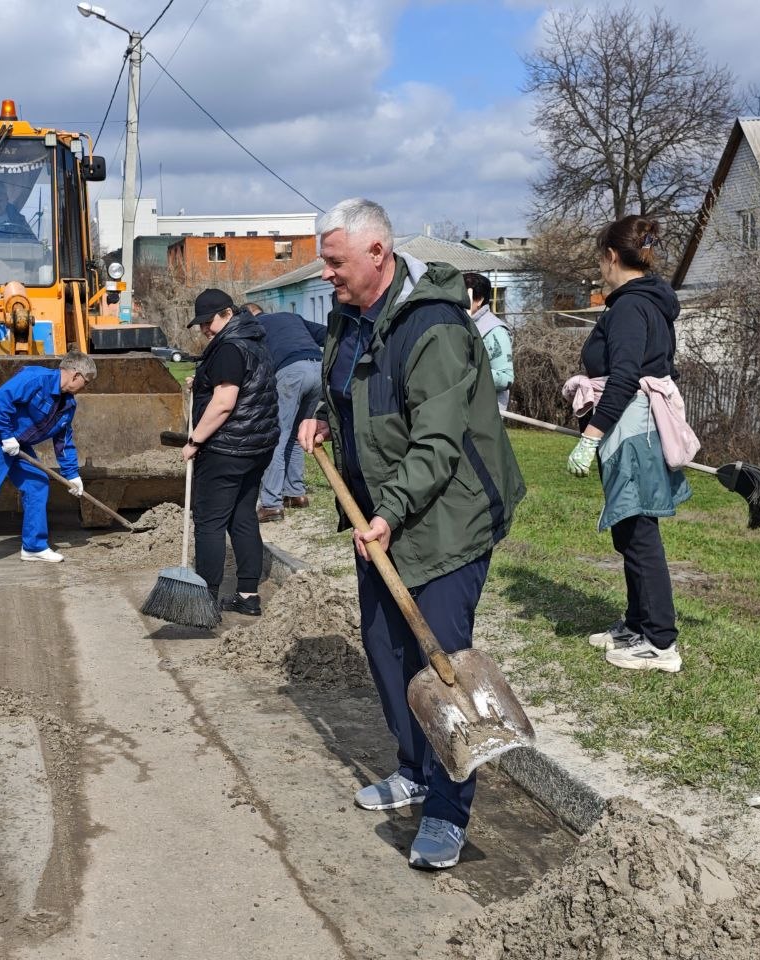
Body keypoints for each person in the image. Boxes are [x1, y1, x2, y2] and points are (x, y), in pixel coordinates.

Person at [298, 199, 524, 870]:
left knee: (442, 664)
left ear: (378, 254)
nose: (326, 273)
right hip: (382, 520)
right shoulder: (349, 314)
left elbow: (436, 443)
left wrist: (388, 511)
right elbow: (341, 389)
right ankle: (414, 768)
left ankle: (448, 812)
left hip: (447, 516)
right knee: (387, 649)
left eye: (335, 261)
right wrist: (319, 418)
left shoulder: (433, 328)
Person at [568, 215, 689, 674]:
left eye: (601, 260)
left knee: (639, 533)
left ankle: (660, 642)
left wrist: (590, 437)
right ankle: (638, 623)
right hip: (634, 427)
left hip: (630, 430)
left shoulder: (629, 308)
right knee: (627, 527)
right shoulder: (647, 302)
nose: (600, 269)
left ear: (612, 257)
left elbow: (623, 378)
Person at [0, 352, 96, 572]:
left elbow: (63, 440)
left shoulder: (68, 405)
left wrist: (72, 474)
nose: (85, 388)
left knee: (37, 485)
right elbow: (1, 399)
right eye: (86, 382)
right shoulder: (35, 378)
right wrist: (6, 435)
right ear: (75, 375)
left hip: (18, 444)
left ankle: (34, 547)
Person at [183, 289, 279, 616]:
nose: (204, 329)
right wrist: (203, 380)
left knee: (209, 521)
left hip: (226, 447)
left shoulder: (228, 345)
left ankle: (205, 599)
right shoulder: (254, 340)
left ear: (226, 313)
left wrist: (195, 441)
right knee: (242, 518)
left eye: (208, 322)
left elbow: (224, 403)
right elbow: (244, 380)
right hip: (257, 446)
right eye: (200, 325)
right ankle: (248, 596)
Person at [241, 302, 326, 523]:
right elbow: (327, 334)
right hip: (318, 368)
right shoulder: (292, 317)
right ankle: (295, 493)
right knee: (299, 435)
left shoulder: (253, 326)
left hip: (291, 373)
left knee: (277, 437)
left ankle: (271, 505)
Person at [464, 272, 514, 410]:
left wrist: (468, 373)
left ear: (479, 299)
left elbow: (506, 378)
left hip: (485, 412)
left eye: (463, 296)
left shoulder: (494, 330)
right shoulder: (461, 324)